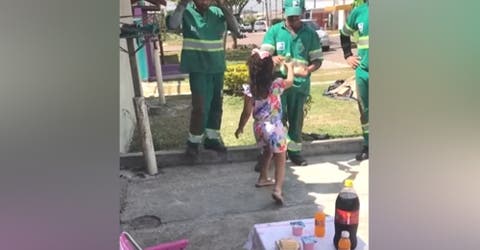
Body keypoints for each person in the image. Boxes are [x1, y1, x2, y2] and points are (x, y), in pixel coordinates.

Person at [168, 0, 241, 157]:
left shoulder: (218, 12)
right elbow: (173, 25)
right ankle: (193, 142)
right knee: (200, 108)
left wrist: (223, 5)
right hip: (198, 69)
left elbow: (236, 29)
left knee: (216, 105)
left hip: (217, 68)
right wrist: (181, 4)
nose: (205, 2)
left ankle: (212, 139)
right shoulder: (186, 12)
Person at [259, 0, 323, 166]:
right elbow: (263, 56)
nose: (293, 19)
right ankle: (269, 155)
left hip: (299, 85)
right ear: (284, 12)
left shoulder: (310, 34)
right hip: (278, 87)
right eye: (290, 16)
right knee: (275, 120)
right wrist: (272, 58)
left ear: (302, 12)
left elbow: (317, 60)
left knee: (296, 119)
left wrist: (308, 69)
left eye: (296, 15)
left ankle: (294, 151)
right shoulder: (274, 31)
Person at [235, 49, 294, 205]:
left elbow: (246, 112)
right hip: (274, 127)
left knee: (267, 151)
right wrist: (290, 68)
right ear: (270, 69)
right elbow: (290, 82)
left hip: (259, 128)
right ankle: (278, 189)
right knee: (280, 157)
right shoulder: (275, 85)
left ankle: (263, 178)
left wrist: (240, 127)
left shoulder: (250, 89)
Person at [339, 0, 369, 161]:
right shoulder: (359, 12)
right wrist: (347, 55)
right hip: (363, 72)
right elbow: (344, 33)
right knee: (365, 111)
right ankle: (369, 145)